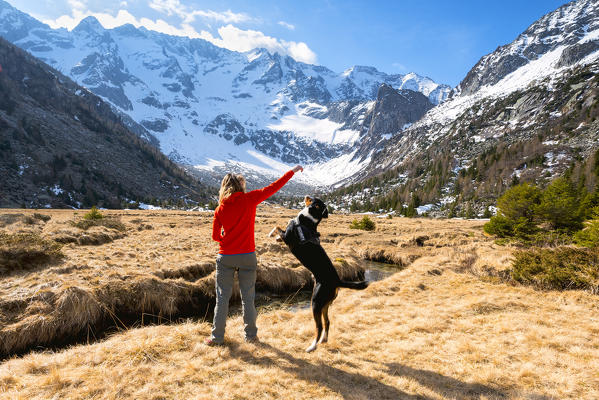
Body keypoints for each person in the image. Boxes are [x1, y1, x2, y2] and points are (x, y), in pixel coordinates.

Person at [206, 165, 304, 345]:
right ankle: (251, 336)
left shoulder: (220, 209)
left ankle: (216, 338)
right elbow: (274, 186)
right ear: (239, 186)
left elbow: (214, 236)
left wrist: (227, 240)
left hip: (226, 256)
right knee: (248, 298)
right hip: (248, 256)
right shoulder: (249, 199)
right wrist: (292, 171)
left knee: (222, 298)